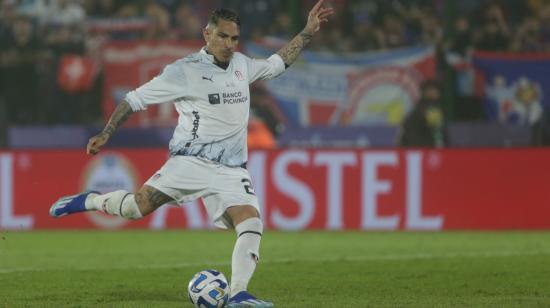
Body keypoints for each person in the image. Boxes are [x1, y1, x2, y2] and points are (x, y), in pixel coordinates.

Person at [50, 1, 333, 307]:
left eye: (234, 38)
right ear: (207, 34)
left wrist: (306, 32)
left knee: (251, 221)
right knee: (136, 207)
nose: (229, 44)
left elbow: (279, 63)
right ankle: (91, 199)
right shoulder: (183, 71)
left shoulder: (242, 66)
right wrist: (107, 132)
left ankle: (238, 293)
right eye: (223, 37)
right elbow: (134, 100)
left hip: (231, 169)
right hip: (190, 162)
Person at [398, 80, 449, 148]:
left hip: (440, 150)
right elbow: (411, 134)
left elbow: (442, 132)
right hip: (422, 150)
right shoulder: (418, 111)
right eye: (429, 90)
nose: (432, 93)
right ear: (424, 92)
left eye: (435, 90)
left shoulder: (441, 108)